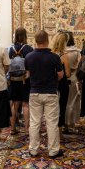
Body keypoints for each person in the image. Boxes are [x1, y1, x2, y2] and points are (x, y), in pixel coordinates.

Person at [25, 30, 64, 159]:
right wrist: (52, 80)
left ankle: (33, 149)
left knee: (35, 122)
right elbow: (60, 75)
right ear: (47, 40)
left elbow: (27, 74)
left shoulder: (29, 56)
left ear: (36, 41)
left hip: (35, 92)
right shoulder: (54, 57)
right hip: (50, 92)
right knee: (52, 123)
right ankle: (53, 151)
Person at [8, 27, 33, 135]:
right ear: (25, 36)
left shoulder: (10, 49)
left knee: (14, 104)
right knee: (26, 104)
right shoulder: (29, 49)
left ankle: (13, 128)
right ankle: (27, 129)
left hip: (13, 80)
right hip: (25, 79)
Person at [51, 32, 71, 136]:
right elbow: (67, 74)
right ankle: (59, 131)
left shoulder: (50, 54)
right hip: (62, 85)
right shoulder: (64, 56)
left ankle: (52, 131)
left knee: (51, 109)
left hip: (51, 85)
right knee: (61, 107)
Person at [65, 31, 81, 132]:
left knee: (64, 101)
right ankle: (72, 125)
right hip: (74, 77)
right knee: (74, 102)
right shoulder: (77, 51)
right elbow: (80, 66)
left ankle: (64, 124)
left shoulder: (62, 52)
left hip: (64, 78)